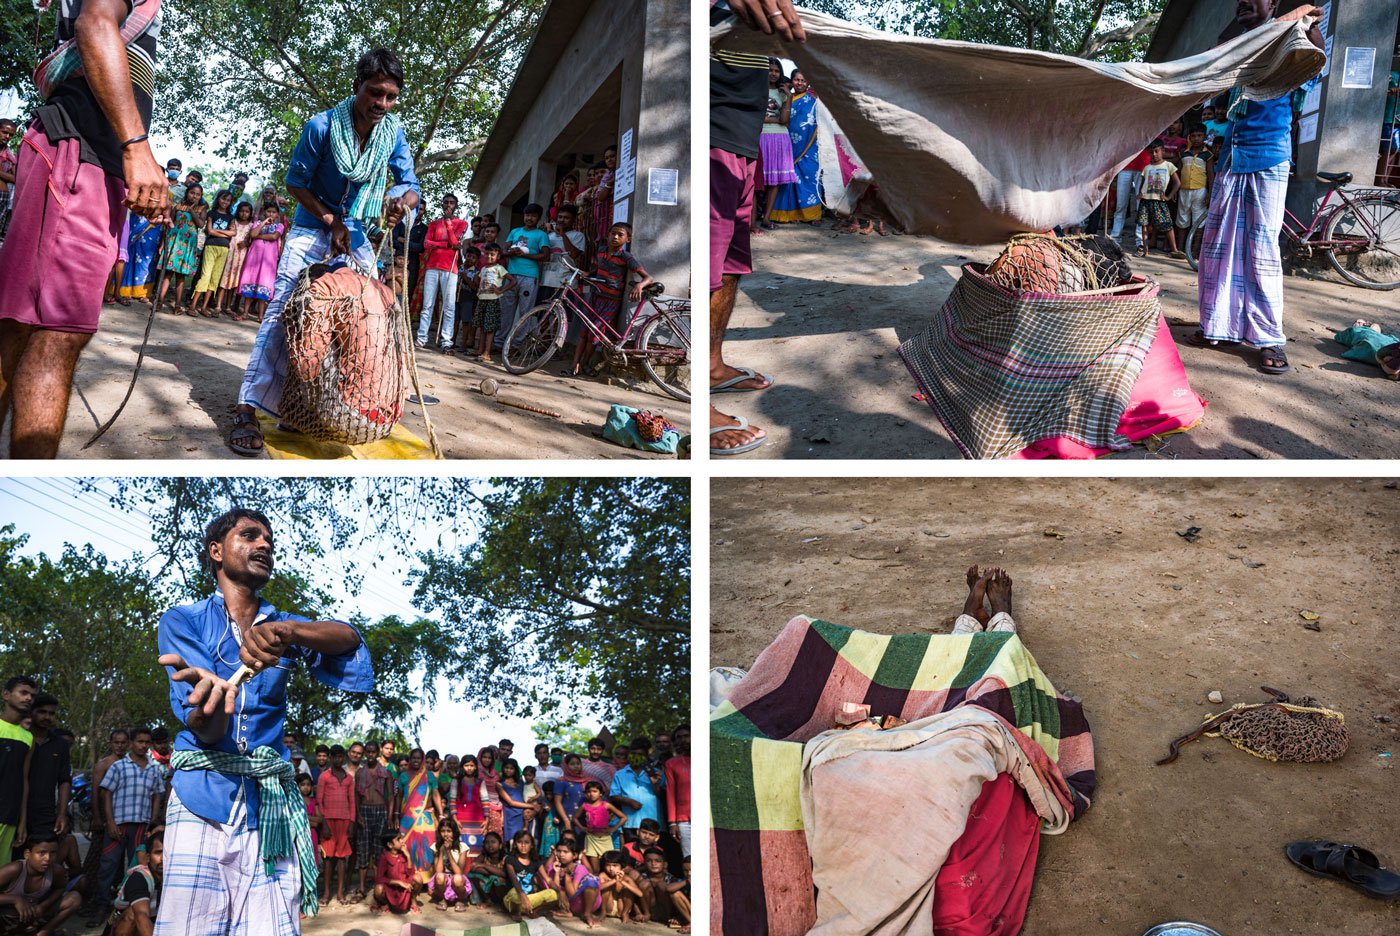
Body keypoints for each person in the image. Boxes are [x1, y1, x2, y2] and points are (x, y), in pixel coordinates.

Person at [153, 507, 373, 933]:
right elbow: (207, 726)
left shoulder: (282, 625)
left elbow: (349, 640)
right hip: (202, 797)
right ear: (216, 551)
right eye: (250, 535)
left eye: (269, 540)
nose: (265, 545)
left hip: (269, 807)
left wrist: (291, 632)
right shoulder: (183, 620)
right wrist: (214, 703)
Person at [228, 48, 420, 456]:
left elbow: (410, 184)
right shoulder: (321, 126)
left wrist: (401, 199)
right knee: (284, 311)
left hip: (358, 233)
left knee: (373, 313)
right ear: (357, 88)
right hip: (312, 226)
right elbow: (295, 183)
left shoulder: (394, 133)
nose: (381, 105)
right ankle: (247, 407)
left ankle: (303, 408)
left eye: (390, 97)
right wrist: (331, 221)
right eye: (375, 94)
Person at [0, 0, 169, 458]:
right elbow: (95, 23)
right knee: (56, 332)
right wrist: (136, 147)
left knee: (18, 326)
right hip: (81, 153)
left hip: (87, 157)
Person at [1190, 1, 1323, 375]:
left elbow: (1313, 62)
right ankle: (1216, 325)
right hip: (1232, 155)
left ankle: (1269, 338)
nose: (1245, 2)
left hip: (1269, 154)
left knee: (1261, 247)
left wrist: (1310, 26)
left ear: (1274, 4)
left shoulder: (1289, 41)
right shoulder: (1241, 49)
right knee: (1216, 244)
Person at [710, 1, 804, 457]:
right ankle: (697, 407)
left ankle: (711, 366)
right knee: (706, 267)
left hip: (743, 135)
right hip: (709, 127)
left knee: (730, 265)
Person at [93, 727, 164, 919]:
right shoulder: (118, 766)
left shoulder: (154, 768)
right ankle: (101, 905)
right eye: (139, 741)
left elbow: (158, 795)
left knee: (138, 867)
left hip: (142, 826)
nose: (143, 745)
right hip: (118, 825)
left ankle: (132, 905)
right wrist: (110, 822)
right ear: (132, 743)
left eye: (146, 742)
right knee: (108, 865)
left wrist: (154, 820)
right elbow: (106, 793)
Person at [567, 222, 653, 378]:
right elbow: (597, 270)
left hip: (611, 301)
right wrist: (587, 273)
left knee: (594, 335)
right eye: (613, 233)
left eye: (620, 235)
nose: (615, 237)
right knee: (584, 333)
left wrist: (640, 286)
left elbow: (648, 278)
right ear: (607, 235)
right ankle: (574, 364)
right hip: (595, 296)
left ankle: (585, 363)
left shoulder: (626, 257)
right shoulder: (600, 252)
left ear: (628, 239)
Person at [416, 193, 467, 352]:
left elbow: (455, 241)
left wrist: (449, 224)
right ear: (442, 204)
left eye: (452, 203)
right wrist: (447, 245)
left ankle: (446, 341)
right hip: (432, 266)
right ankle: (421, 338)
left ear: (455, 206)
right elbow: (426, 243)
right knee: (427, 304)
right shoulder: (433, 224)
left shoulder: (462, 223)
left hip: (450, 269)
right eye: (445, 202)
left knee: (449, 306)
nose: (448, 205)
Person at [497, 204, 551, 351]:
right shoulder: (515, 231)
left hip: (529, 276)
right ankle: (499, 342)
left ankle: (516, 345)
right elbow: (503, 250)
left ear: (538, 218)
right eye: (527, 215)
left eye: (533, 216)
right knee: (505, 310)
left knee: (525, 312)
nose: (529, 218)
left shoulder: (541, 235)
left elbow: (545, 255)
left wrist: (525, 255)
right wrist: (510, 252)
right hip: (510, 276)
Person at [0, 835, 81, 933]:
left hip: (31, 917)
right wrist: (15, 899)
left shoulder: (57, 871)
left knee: (74, 898)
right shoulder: (14, 869)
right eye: (42, 853)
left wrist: (44, 906)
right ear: (27, 854)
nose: (48, 858)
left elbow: (60, 888)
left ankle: (43, 932)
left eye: (53, 853)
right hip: (5, 918)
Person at [757, 58, 799, 231]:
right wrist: (775, 119)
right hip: (760, 137)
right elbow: (756, 117)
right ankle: (752, 219)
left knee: (774, 183)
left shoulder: (783, 93)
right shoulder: (755, 89)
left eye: (776, 71)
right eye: (770, 70)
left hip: (781, 139)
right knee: (757, 181)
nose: (773, 74)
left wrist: (789, 96)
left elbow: (785, 120)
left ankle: (766, 218)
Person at [24, 695, 70, 843]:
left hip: (45, 812)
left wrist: (62, 813)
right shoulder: (20, 738)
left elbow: (64, 781)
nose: (47, 717)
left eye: (51, 713)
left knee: (43, 857)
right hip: (14, 809)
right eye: (42, 712)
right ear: (32, 712)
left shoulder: (60, 745)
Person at [0, 677, 36, 865]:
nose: (29, 698)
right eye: (23, 693)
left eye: (32, 695)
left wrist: (22, 821)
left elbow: (24, 779)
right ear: (6, 695)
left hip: (9, 816)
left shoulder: (28, 738)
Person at [354, 739, 393, 901]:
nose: (370, 754)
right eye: (367, 752)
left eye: (372, 752)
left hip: (380, 811)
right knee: (363, 849)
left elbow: (390, 795)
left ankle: (379, 887)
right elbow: (356, 795)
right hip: (364, 811)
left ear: (377, 753)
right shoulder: (360, 772)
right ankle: (362, 888)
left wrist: (389, 816)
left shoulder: (386, 772)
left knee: (379, 850)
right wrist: (358, 815)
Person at [316, 744, 356, 906]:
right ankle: (326, 892)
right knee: (328, 858)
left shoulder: (349, 778)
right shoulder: (324, 777)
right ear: (331, 758)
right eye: (335, 756)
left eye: (341, 756)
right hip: (329, 821)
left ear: (344, 758)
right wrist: (324, 823)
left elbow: (352, 802)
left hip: (344, 821)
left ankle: (340, 893)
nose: (338, 759)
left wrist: (352, 823)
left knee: (341, 858)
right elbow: (319, 800)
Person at [396, 747, 441, 884]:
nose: (416, 760)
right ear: (410, 760)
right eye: (413, 758)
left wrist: (441, 814)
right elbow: (398, 796)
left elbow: (435, 794)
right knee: (407, 845)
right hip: (407, 818)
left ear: (422, 760)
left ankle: (427, 880)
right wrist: (396, 814)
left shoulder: (429, 775)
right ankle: (410, 877)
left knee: (428, 846)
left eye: (418, 758)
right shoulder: (403, 776)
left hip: (426, 816)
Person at [107, 829, 163, 936]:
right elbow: (141, 916)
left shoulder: (174, 878)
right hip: (121, 927)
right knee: (133, 913)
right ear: (147, 857)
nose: (162, 859)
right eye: (158, 853)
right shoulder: (140, 877)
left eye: (166, 853)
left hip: (152, 923)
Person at [190, 190, 236, 317]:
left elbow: (234, 233)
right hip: (211, 246)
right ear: (218, 199)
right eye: (223, 199)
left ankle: (204, 307)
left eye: (228, 200)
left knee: (214, 279)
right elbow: (209, 231)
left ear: (231, 202)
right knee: (205, 276)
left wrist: (217, 231)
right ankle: (193, 305)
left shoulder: (231, 217)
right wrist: (225, 232)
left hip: (224, 249)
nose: (225, 202)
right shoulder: (212, 213)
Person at [236, 203, 284, 322]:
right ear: (264, 213)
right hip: (254, 259)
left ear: (277, 214)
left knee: (264, 285)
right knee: (250, 282)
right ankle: (245, 313)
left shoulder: (280, 226)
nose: (271, 214)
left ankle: (260, 316)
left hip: (268, 261)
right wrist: (263, 223)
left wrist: (259, 236)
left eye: (273, 212)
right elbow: (253, 234)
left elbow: (274, 237)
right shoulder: (257, 223)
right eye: (268, 212)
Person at [609, 739, 665, 840]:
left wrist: (655, 784)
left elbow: (664, 797)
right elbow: (614, 795)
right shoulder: (620, 774)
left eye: (640, 754)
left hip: (654, 824)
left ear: (647, 756)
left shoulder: (656, 773)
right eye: (633, 753)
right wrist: (628, 801)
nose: (636, 756)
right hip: (631, 823)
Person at [1135, 140, 1183, 259]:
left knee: (1167, 223)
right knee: (1144, 224)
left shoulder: (1168, 165)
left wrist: (1169, 196)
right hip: (1145, 200)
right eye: (1151, 152)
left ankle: (1174, 250)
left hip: (1159, 201)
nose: (1154, 154)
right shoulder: (1146, 168)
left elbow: (1177, 183)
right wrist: (1140, 193)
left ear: (1163, 151)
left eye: (1157, 151)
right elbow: (1143, 183)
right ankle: (1145, 249)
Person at [543, 836, 601, 928]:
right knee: (543, 877)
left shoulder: (579, 868)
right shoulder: (554, 866)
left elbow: (572, 893)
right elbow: (554, 887)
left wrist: (567, 875)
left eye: (566, 852)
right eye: (558, 851)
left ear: (574, 855)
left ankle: (587, 914)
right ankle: (565, 911)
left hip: (583, 902)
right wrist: (557, 873)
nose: (561, 854)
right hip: (567, 903)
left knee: (591, 880)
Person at [1175, 125, 1214, 249]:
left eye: (1199, 136)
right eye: (1193, 136)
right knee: (1182, 219)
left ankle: (1195, 250)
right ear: (1189, 137)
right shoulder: (1183, 154)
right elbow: (1178, 171)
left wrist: (1210, 193)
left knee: (1199, 221)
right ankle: (1180, 249)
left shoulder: (1208, 155)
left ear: (1204, 137)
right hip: (1184, 190)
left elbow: (1210, 175)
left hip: (1200, 191)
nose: (1196, 138)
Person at [539, 204, 587, 304]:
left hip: (565, 282)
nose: (561, 220)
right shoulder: (549, 236)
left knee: (562, 316)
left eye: (566, 218)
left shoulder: (578, 235)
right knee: (543, 316)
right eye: (560, 217)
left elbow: (573, 254)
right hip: (546, 281)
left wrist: (563, 235)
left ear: (573, 220)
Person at [572, 781, 625, 874]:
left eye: (594, 791)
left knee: (609, 865)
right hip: (591, 839)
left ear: (600, 793)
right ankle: (596, 885)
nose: (591, 794)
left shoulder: (606, 805)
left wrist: (613, 829)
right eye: (588, 791)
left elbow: (624, 817)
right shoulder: (585, 806)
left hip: (605, 839)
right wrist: (582, 828)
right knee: (595, 869)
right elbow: (575, 818)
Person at [472, 243, 512, 364]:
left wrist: (501, 290)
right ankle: (480, 350)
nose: (489, 257)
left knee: (490, 328)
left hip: (493, 300)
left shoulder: (499, 268)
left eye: (492, 255)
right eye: (487, 254)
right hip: (482, 299)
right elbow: (477, 278)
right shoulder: (483, 269)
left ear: (498, 256)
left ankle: (487, 352)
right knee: (482, 326)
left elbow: (513, 281)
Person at [503, 830, 555, 921]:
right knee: (514, 893)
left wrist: (561, 892)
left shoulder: (536, 861)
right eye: (520, 842)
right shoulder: (510, 860)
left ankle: (533, 911)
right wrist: (523, 895)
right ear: (515, 844)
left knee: (553, 894)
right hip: (513, 900)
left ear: (531, 845)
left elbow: (548, 880)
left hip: (529, 900)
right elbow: (514, 880)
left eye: (526, 842)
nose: (523, 845)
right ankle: (515, 912)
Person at [216, 201, 256, 317]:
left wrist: (246, 243)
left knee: (234, 281)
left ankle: (228, 306)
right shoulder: (234, 221)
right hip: (230, 253)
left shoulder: (251, 225)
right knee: (224, 278)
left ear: (250, 213)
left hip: (241, 256)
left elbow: (250, 240)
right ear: (238, 211)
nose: (244, 214)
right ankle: (218, 305)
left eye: (247, 212)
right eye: (242, 211)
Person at [638, 847, 688, 927]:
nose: (653, 864)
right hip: (652, 913)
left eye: (657, 861)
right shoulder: (642, 877)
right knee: (643, 884)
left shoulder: (672, 879)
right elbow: (633, 897)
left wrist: (678, 917)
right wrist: (638, 913)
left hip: (668, 913)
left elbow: (680, 899)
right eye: (649, 861)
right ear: (644, 863)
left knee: (662, 885)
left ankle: (670, 918)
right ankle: (647, 913)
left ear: (665, 864)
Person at [429, 818, 471, 911]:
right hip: (443, 881)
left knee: (458, 878)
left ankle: (460, 900)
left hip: (456, 880)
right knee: (439, 876)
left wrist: (448, 852)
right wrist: (442, 850)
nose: (446, 834)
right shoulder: (436, 846)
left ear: (454, 832)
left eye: (449, 831)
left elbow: (459, 872)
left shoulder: (462, 847)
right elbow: (438, 871)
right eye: (443, 831)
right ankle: (442, 899)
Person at [370, 830, 415, 915]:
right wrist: (398, 882)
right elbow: (380, 878)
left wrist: (408, 857)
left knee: (418, 878)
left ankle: (413, 901)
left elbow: (411, 873)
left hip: (404, 887)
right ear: (390, 845)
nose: (402, 841)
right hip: (390, 888)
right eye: (398, 839)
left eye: (401, 838)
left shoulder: (404, 853)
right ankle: (384, 903)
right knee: (378, 889)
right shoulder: (384, 856)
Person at [663, 725, 690, 861]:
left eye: (686, 736)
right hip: (684, 820)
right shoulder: (671, 763)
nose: (683, 740)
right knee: (689, 860)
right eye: (679, 737)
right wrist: (672, 822)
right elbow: (670, 793)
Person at [597, 849, 645, 923]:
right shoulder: (603, 875)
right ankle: (603, 912)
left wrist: (622, 881)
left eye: (615, 865)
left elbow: (640, 894)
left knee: (627, 889)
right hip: (608, 907)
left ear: (622, 866)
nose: (611, 869)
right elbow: (598, 888)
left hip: (621, 907)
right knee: (606, 887)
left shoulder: (626, 878)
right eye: (608, 865)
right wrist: (614, 880)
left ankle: (625, 913)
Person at [467, 830, 508, 909]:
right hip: (489, 890)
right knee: (472, 875)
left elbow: (504, 874)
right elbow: (473, 867)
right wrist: (493, 872)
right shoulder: (484, 856)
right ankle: (487, 900)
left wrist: (484, 866)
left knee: (497, 879)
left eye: (493, 842)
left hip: (502, 890)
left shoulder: (505, 858)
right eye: (487, 842)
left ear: (500, 845)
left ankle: (502, 902)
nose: (490, 845)